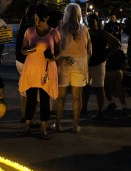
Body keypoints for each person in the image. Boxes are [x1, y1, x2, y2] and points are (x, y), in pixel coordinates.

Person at [17, 4, 61, 139]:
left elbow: (59, 52)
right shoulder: (30, 31)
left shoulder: (54, 33)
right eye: (35, 19)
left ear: (46, 18)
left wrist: (53, 57)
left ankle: (43, 129)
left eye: (39, 19)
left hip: (46, 71)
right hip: (31, 69)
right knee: (30, 99)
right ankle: (27, 127)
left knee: (44, 100)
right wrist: (27, 50)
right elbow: (22, 49)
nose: (37, 22)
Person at [55, 3, 92, 132]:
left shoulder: (60, 29)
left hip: (64, 63)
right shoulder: (84, 29)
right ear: (79, 14)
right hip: (80, 65)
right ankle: (75, 125)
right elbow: (89, 51)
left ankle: (58, 124)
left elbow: (56, 48)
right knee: (77, 97)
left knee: (61, 97)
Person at [82, 13, 121, 118]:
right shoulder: (87, 33)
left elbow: (117, 44)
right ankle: (83, 109)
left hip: (99, 63)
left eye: (92, 21)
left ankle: (100, 111)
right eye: (88, 21)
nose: (90, 23)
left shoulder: (102, 33)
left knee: (99, 88)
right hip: (88, 63)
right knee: (85, 87)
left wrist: (107, 55)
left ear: (96, 21)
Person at [15, 4, 36, 123]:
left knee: (24, 90)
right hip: (28, 62)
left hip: (19, 61)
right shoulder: (32, 29)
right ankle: (31, 119)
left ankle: (24, 115)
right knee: (32, 92)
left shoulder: (21, 26)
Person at [104, 48, 128, 114]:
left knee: (106, 89)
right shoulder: (120, 51)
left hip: (109, 72)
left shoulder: (107, 51)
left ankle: (111, 103)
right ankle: (124, 106)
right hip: (119, 72)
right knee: (119, 90)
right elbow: (125, 62)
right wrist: (123, 70)